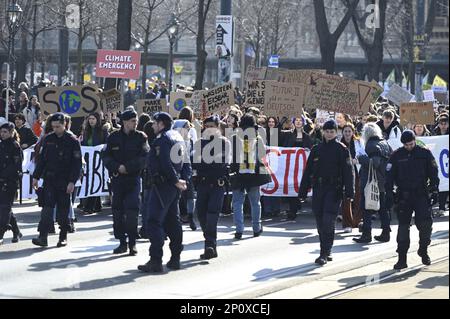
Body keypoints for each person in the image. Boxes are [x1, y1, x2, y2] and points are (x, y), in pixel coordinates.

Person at [298, 119, 355, 266]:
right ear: (323, 132)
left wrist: (350, 192)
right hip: (319, 188)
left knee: (328, 221)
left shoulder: (342, 149)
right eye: (327, 131)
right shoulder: (317, 149)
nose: (329, 134)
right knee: (319, 220)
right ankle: (326, 248)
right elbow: (308, 171)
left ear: (336, 132)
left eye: (332, 132)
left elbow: (348, 172)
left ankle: (324, 252)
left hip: (334, 189)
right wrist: (303, 190)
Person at [138, 112, 188, 273]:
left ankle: (155, 260)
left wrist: (175, 180)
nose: (153, 126)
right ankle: (175, 258)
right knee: (173, 221)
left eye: (155, 123)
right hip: (173, 186)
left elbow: (165, 164)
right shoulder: (178, 137)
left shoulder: (162, 139)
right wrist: (183, 180)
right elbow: (186, 162)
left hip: (163, 185)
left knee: (153, 221)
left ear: (161, 124)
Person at [386, 130, 440, 270]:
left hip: (421, 194)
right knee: (403, 227)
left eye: (410, 144)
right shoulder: (397, 155)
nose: (409, 147)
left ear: (414, 141)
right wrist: (389, 192)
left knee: (425, 224)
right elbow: (389, 175)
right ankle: (402, 258)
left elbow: (433, 171)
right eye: (406, 145)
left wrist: (434, 189)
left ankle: (423, 249)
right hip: (404, 195)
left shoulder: (424, 153)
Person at [102, 109, 149, 256]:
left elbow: (145, 158)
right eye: (132, 121)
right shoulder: (113, 137)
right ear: (124, 122)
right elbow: (105, 156)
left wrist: (128, 167)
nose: (135, 123)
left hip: (133, 179)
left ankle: (132, 243)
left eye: (136, 121)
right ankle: (122, 242)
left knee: (132, 211)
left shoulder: (141, 137)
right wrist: (117, 167)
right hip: (117, 180)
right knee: (117, 212)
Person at [31, 113, 82, 248]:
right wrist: (36, 177)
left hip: (64, 181)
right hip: (50, 180)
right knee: (47, 209)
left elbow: (77, 164)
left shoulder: (72, 141)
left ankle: (63, 236)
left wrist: (72, 182)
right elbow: (42, 160)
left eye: (58, 126)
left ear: (64, 124)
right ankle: (43, 237)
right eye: (53, 127)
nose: (55, 129)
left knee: (63, 211)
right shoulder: (48, 140)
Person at [192, 115, 231, 259]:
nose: (208, 129)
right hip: (202, 183)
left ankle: (209, 244)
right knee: (201, 213)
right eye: (206, 126)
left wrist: (206, 164)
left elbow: (222, 163)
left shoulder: (224, 143)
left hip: (217, 184)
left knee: (212, 214)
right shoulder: (199, 143)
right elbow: (195, 162)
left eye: (211, 126)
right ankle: (210, 241)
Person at [231, 114, 270, 240]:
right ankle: (256, 228)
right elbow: (263, 155)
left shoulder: (234, 138)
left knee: (237, 202)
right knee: (255, 202)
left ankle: (238, 230)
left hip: (238, 174)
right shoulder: (258, 139)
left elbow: (230, 156)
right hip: (254, 174)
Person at [353, 123, 393, 243]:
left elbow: (374, 163)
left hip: (371, 181)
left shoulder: (371, 145)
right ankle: (386, 232)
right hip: (382, 180)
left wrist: (360, 159)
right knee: (382, 208)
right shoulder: (385, 143)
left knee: (367, 207)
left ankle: (366, 234)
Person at [282, 116, 313, 221]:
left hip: (303, 167)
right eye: (297, 120)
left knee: (300, 186)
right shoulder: (288, 134)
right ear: (294, 122)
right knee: (291, 186)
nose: (298, 122)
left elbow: (310, 149)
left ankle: (297, 203)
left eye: (300, 121)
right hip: (291, 166)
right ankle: (292, 210)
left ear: (303, 123)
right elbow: (285, 147)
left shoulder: (307, 137)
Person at [80, 113, 109, 214]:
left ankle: (89, 206)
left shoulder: (103, 131)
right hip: (89, 160)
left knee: (96, 182)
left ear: (97, 120)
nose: (91, 121)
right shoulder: (86, 131)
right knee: (91, 182)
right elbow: (83, 144)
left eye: (93, 119)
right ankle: (97, 205)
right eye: (90, 119)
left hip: (99, 160)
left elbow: (107, 143)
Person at [0, 122, 23, 245]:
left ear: (11, 133)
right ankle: (16, 231)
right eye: (1, 132)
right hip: (1, 181)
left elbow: (16, 166)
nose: (2, 134)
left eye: (5, 132)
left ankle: (1, 233)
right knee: (5, 208)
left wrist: (3, 175)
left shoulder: (15, 146)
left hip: (10, 182)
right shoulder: (0, 145)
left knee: (4, 208)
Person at [340, 123, 364, 233]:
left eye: (349, 131)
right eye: (345, 131)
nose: (347, 133)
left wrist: (357, 160)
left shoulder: (358, 142)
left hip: (357, 172)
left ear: (353, 132)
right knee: (346, 198)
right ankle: (347, 223)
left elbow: (364, 155)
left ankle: (358, 220)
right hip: (345, 174)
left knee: (358, 197)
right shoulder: (339, 144)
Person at [433, 114, 449, 217]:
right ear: (438, 124)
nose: (443, 126)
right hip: (440, 163)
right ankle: (442, 207)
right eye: (441, 124)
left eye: (445, 124)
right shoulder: (434, 134)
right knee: (442, 185)